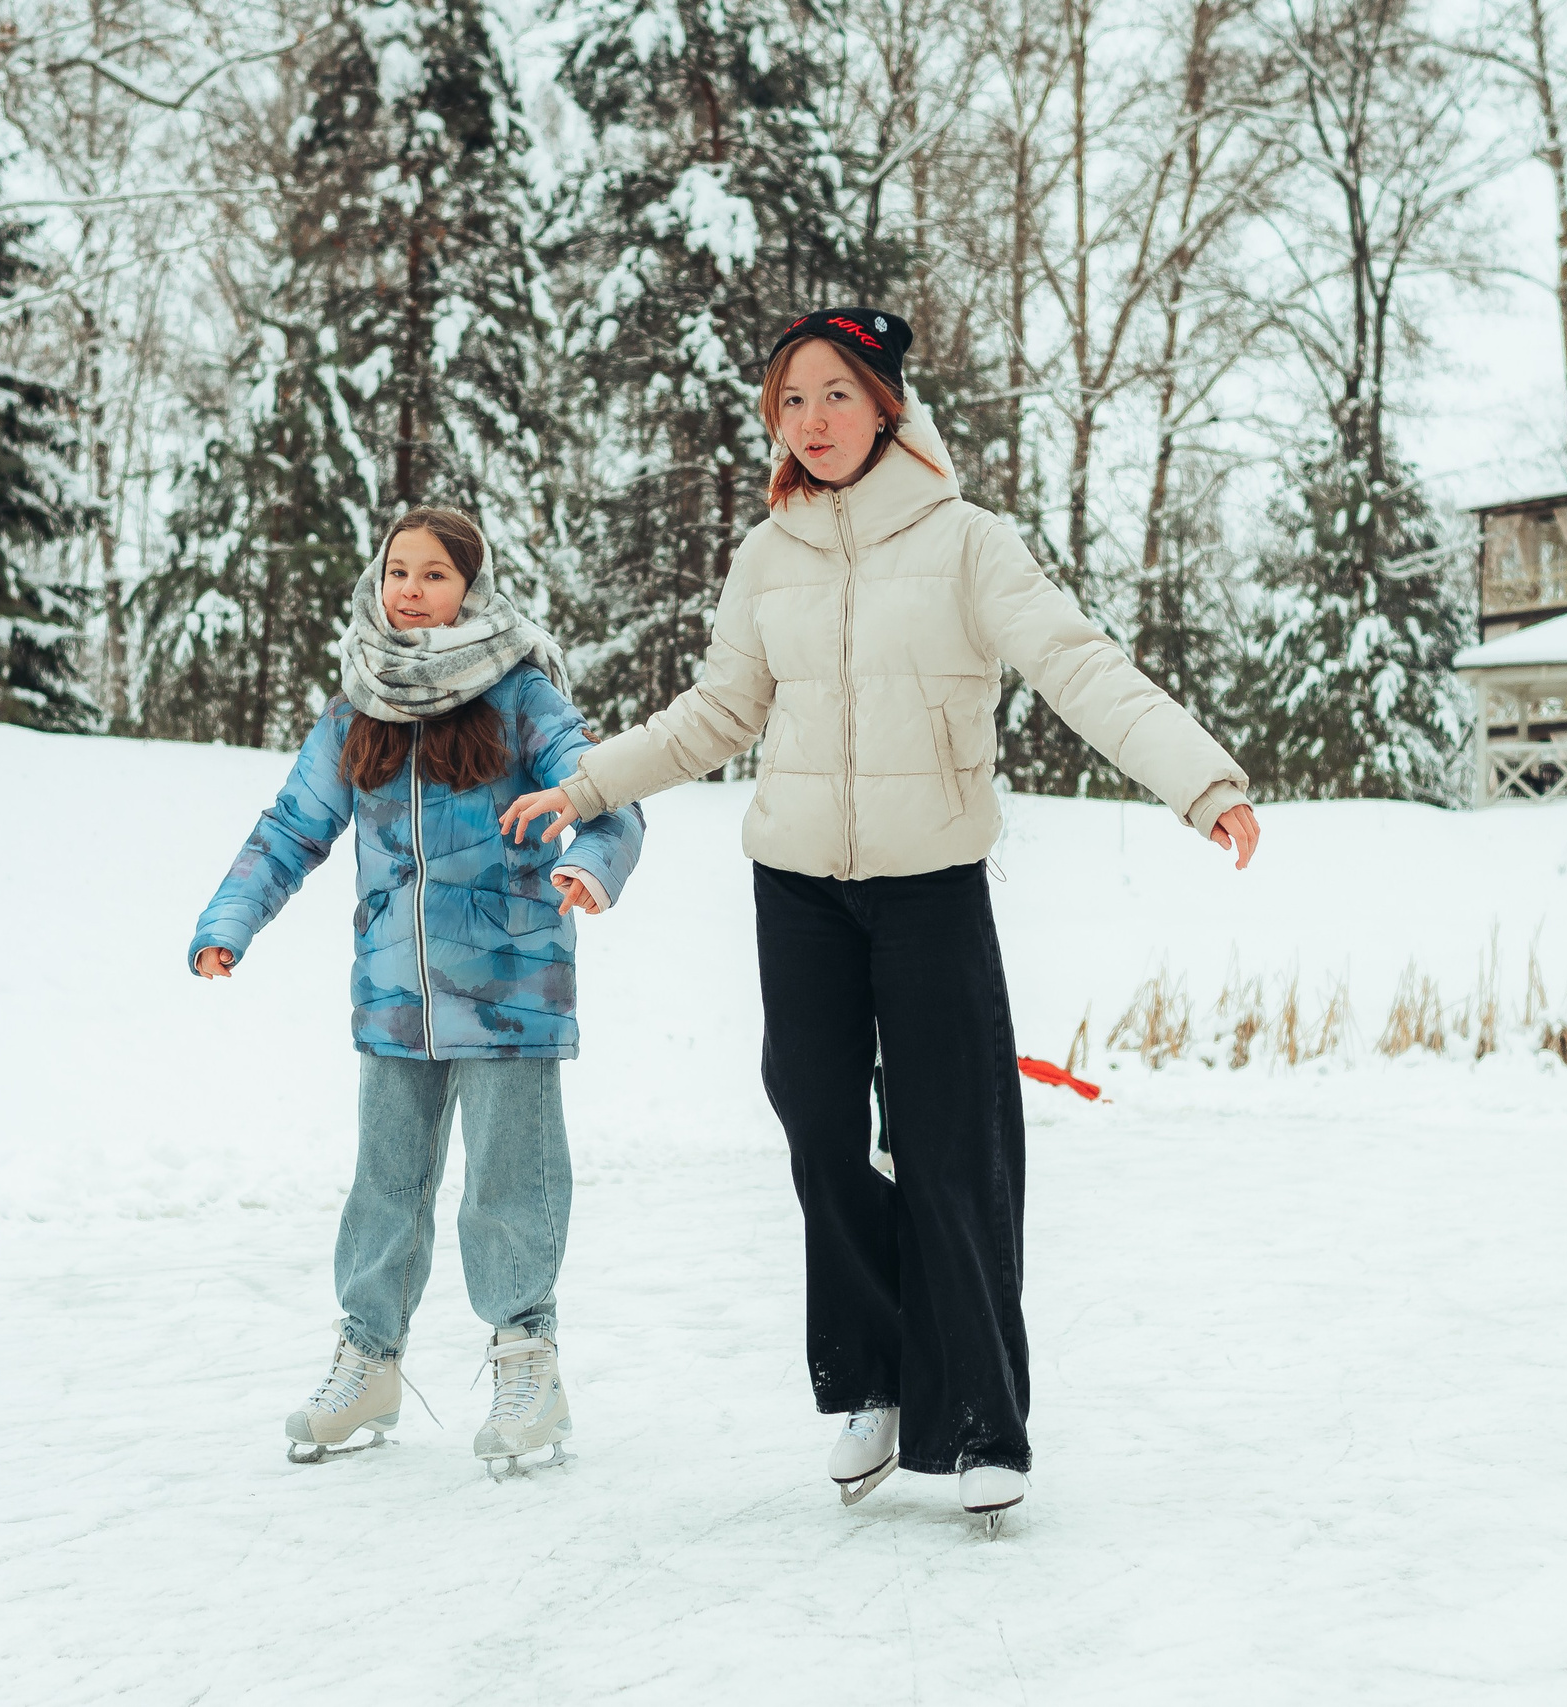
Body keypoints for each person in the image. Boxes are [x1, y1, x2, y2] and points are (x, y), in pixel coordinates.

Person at [502, 308, 1261, 1531]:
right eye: (790, 399)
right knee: (818, 1130)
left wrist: (1199, 780)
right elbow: (717, 712)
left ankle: (982, 1421)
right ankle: (873, 1381)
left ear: (886, 406)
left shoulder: (968, 543)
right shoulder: (768, 554)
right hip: (796, 888)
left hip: (928, 888)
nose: (810, 420)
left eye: (835, 394)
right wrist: (587, 786)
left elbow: (1077, 665)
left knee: (952, 1148)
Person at [189, 507, 645, 1476]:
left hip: (512, 992)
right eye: (398, 570)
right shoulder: (360, 701)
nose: (410, 590)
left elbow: (608, 793)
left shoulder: (520, 694)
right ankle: (369, 1361)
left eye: (434, 574)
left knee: (508, 1186)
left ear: (472, 590)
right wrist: (230, 920)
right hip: (395, 998)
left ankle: (528, 1364)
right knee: (385, 1188)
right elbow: (292, 828)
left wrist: (591, 865)